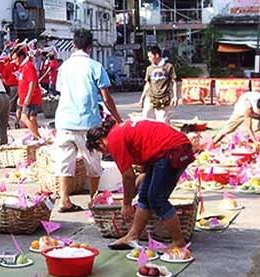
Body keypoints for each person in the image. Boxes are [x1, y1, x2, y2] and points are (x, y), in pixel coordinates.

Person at [86, 118, 194, 249]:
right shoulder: (118, 130)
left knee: (157, 199)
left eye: (101, 151)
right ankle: (132, 236)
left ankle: (178, 241)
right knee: (144, 195)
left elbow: (128, 176)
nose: (105, 153)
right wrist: (143, 176)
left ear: (100, 143)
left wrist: (126, 204)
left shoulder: (114, 140)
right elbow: (145, 147)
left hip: (173, 150)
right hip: (168, 150)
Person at [54, 28, 123, 213]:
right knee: (93, 164)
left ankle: (64, 200)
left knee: (64, 163)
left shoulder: (63, 68)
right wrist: (118, 119)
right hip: (88, 123)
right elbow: (106, 98)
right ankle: (93, 201)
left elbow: (61, 91)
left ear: (73, 45)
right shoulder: (95, 66)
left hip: (64, 121)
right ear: (91, 47)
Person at [139, 46, 178, 123]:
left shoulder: (168, 67)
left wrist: (175, 96)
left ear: (157, 55)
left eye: (150, 56)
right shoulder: (149, 69)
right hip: (150, 97)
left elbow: (174, 82)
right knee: (145, 118)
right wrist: (142, 98)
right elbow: (147, 84)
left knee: (162, 121)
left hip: (163, 98)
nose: (149, 59)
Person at [13, 47, 42, 139]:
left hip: (32, 97)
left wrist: (28, 97)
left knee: (24, 117)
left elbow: (32, 82)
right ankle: (37, 135)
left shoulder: (28, 66)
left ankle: (37, 136)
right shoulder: (23, 67)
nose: (14, 61)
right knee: (32, 118)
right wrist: (20, 97)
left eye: (15, 58)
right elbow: (23, 83)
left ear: (21, 56)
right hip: (27, 97)